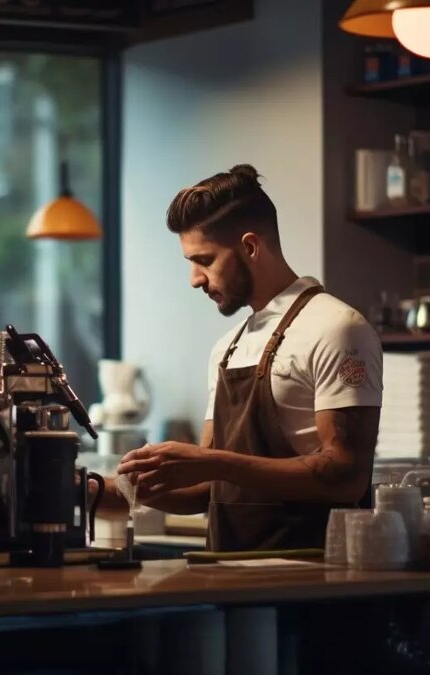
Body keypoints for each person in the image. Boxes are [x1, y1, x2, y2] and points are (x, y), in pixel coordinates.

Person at [108, 164, 384, 551]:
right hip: (228, 576)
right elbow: (207, 488)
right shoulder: (228, 348)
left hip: (310, 579)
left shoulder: (337, 328)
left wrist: (214, 463)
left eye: (204, 260)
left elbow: (345, 475)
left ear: (250, 247)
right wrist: (120, 489)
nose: (194, 279)